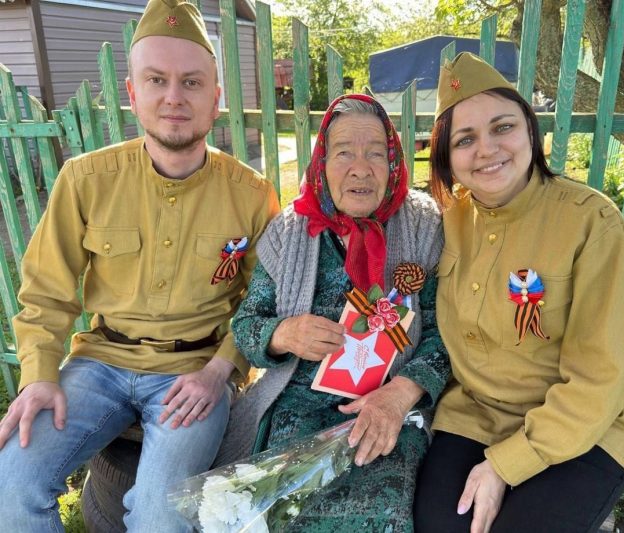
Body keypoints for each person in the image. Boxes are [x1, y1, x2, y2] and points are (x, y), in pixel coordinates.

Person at [0, 0, 279, 530]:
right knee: (9, 486)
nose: (174, 97)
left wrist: (221, 370)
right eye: (156, 80)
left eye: (192, 82)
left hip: (194, 371)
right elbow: (45, 292)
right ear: (132, 93)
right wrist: (38, 376)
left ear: (216, 98)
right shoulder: (86, 180)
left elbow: (263, 302)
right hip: (99, 363)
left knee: (161, 517)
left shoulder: (251, 194)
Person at [413, 52, 624, 533]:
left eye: (502, 127)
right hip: (473, 416)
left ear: (530, 131)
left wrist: (505, 465)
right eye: (464, 139)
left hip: (582, 427)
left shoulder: (593, 224)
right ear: (446, 157)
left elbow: (598, 378)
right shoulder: (443, 221)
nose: (486, 149)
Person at [228, 94, 450, 531]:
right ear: (323, 163)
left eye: (375, 154)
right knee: (281, 511)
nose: (360, 169)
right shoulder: (289, 231)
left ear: (393, 163)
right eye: (345, 153)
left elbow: (444, 335)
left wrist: (399, 395)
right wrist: (283, 334)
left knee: (381, 509)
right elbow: (247, 325)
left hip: (389, 401)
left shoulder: (424, 226)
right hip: (299, 400)